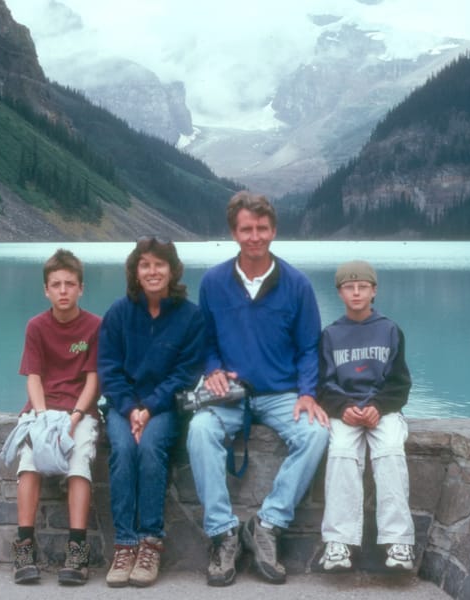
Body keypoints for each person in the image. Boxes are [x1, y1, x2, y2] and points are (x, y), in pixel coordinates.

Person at [186, 191, 330, 586]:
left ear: (274, 230)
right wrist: (213, 371)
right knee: (200, 430)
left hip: (283, 394)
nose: (255, 237)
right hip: (231, 394)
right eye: (246, 229)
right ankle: (223, 533)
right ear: (234, 232)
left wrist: (306, 393)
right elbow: (208, 343)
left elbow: (307, 348)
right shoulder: (214, 282)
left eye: (262, 228)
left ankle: (267, 524)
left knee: (316, 432)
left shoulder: (297, 284)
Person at [98, 236, 205, 588]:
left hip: (167, 407)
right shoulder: (117, 313)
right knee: (124, 450)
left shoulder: (190, 316)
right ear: (135, 271)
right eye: (145, 264)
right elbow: (109, 369)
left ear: (173, 270)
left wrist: (150, 409)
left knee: (149, 449)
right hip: (123, 406)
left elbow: (186, 373)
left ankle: (150, 543)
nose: (153, 271)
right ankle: (125, 545)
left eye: (160, 264)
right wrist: (131, 409)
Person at [316, 260, 415, 572]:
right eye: (349, 287)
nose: (356, 292)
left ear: (374, 291)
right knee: (342, 453)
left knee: (389, 451)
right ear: (340, 292)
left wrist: (379, 406)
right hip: (344, 411)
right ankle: (339, 543)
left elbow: (400, 383)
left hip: (382, 410)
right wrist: (344, 407)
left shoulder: (389, 329)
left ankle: (399, 542)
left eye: (362, 287)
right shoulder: (330, 334)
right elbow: (323, 385)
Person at [11, 249, 102, 586]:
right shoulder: (36, 326)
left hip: (80, 411)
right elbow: (33, 376)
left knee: (79, 461)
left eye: (70, 284)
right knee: (29, 460)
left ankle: (77, 550)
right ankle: (23, 546)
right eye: (56, 285)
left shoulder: (95, 326)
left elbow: (93, 378)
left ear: (81, 288)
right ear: (46, 290)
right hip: (42, 410)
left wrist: (76, 416)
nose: (63, 290)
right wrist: (40, 416)